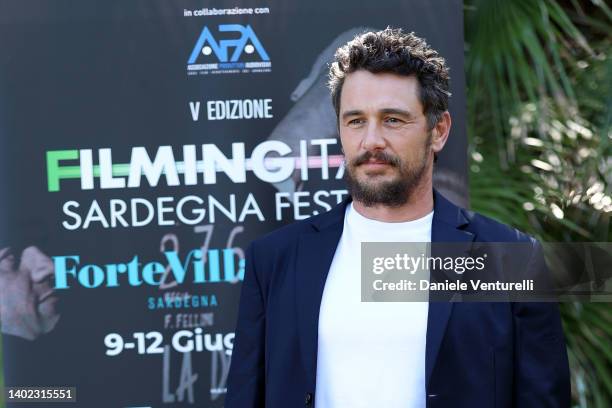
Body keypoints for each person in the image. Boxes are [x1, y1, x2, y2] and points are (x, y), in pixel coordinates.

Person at [225, 28, 570, 408]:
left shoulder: (509, 260)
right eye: (355, 120)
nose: (371, 140)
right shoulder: (275, 259)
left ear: (438, 131)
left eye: (392, 119)